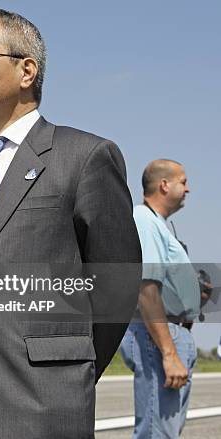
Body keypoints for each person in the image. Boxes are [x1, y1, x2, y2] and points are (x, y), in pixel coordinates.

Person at [0, 7, 141, 438]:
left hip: (41, 400)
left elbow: (116, 281)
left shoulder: (83, 157)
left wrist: (66, 367)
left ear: (27, 70)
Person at [120, 159, 201, 438]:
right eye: (183, 182)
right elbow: (146, 288)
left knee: (167, 430)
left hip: (170, 332)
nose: (188, 189)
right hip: (158, 336)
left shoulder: (160, 225)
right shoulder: (143, 220)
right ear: (164, 185)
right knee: (157, 433)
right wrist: (169, 353)